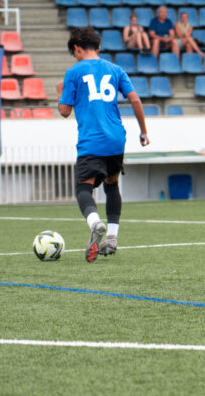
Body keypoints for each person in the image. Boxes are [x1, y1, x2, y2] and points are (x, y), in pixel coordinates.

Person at [58, 26, 149, 262]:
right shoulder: (116, 69)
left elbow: (64, 111)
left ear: (77, 48)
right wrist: (143, 131)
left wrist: (60, 93)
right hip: (117, 139)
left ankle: (95, 223)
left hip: (92, 140)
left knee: (83, 189)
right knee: (111, 186)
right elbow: (135, 99)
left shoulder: (73, 72)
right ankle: (112, 237)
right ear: (97, 47)